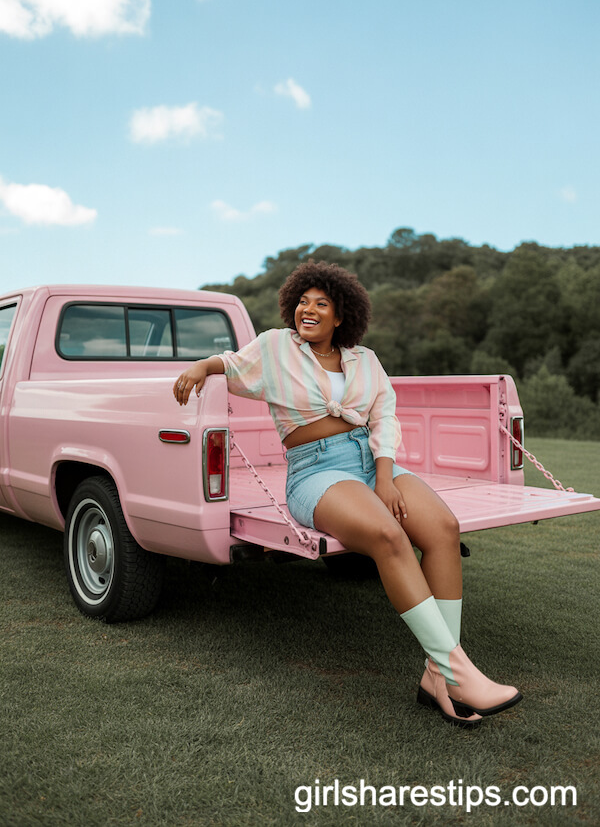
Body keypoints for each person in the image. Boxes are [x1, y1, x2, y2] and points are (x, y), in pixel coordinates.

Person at [173, 261, 522, 728]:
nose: (308, 310)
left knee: (443, 528)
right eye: (303, 301)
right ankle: (458, 674)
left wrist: (384, 477)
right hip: (315, 470)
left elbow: (385, 416)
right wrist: (202, 366)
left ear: (340, 316)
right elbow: (232, 364)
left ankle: (438, 676)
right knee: (388, 536)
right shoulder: (276, 347)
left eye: (322, 304)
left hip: (372, 461)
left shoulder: (365, 359)